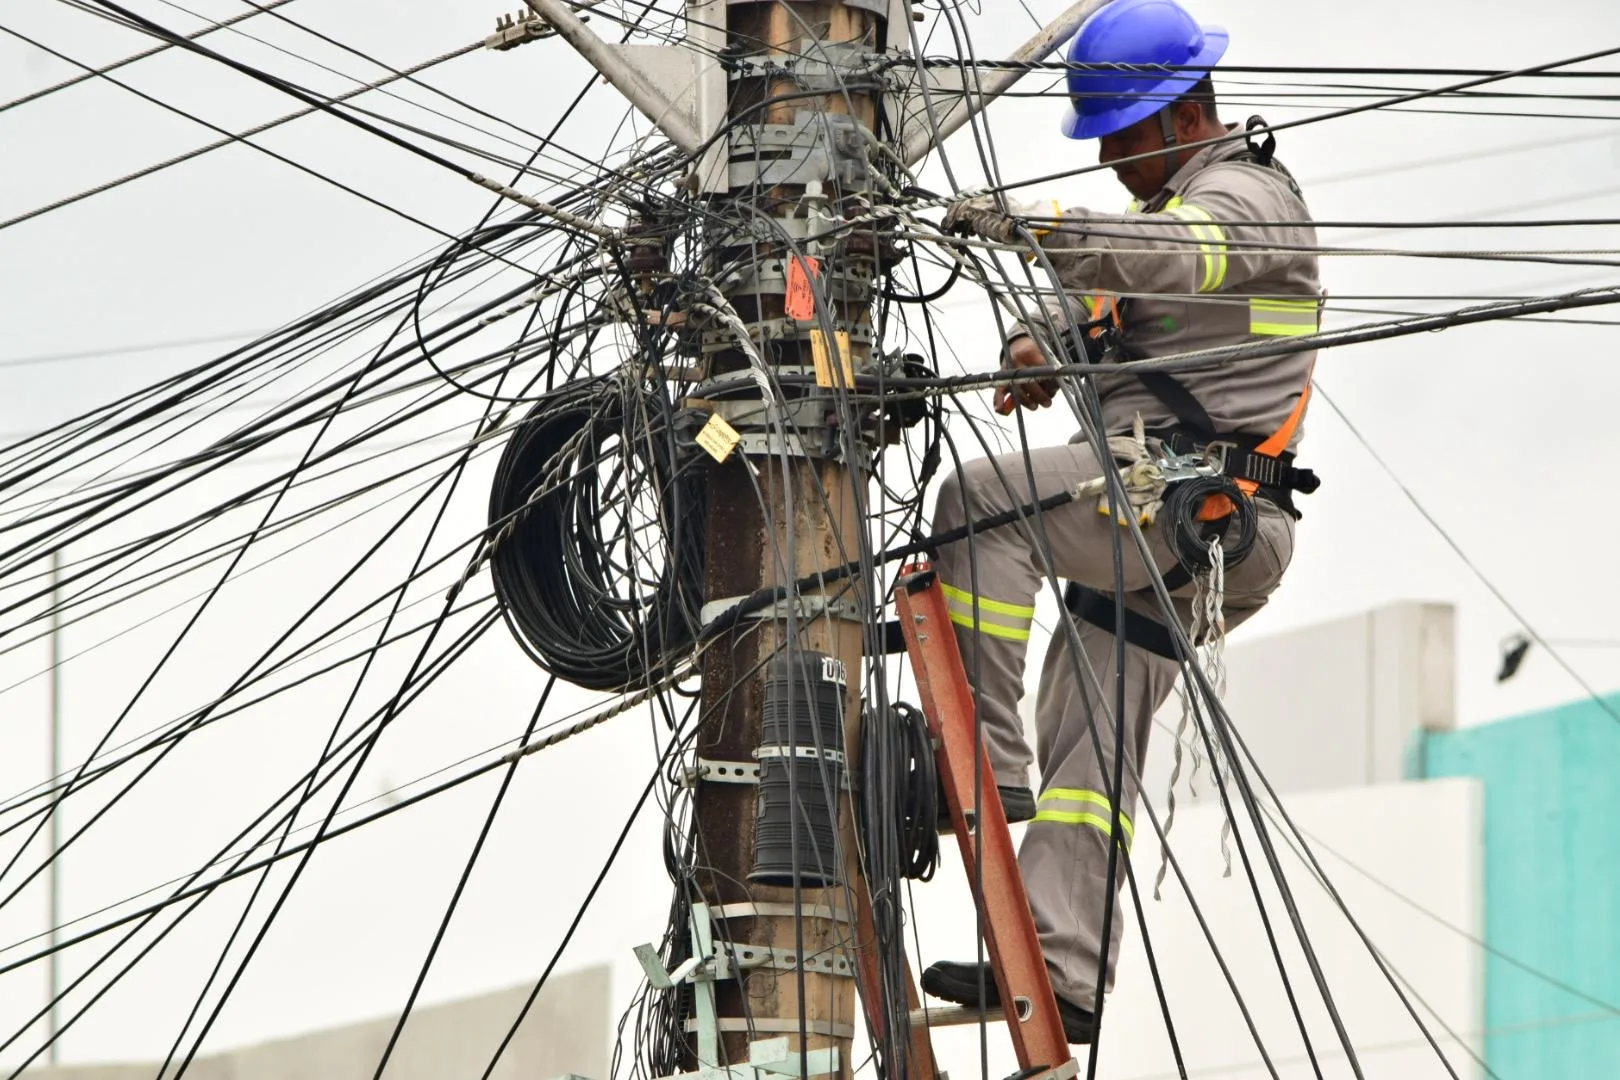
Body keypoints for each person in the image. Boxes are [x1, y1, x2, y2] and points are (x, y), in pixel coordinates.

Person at [919, 0, 1323, 1043]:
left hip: (1203, 511)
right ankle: (1066, 974)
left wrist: (1031, 225)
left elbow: (1171, 261)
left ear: (1184, 111)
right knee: (1089, 729)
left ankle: (985, 768)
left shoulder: (1247, 202)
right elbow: (1106, 294)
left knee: (979, 503)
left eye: (1120, 131)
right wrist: (1032, 344)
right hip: (1173, 517)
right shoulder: (1161, 215)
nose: (1106, 155)